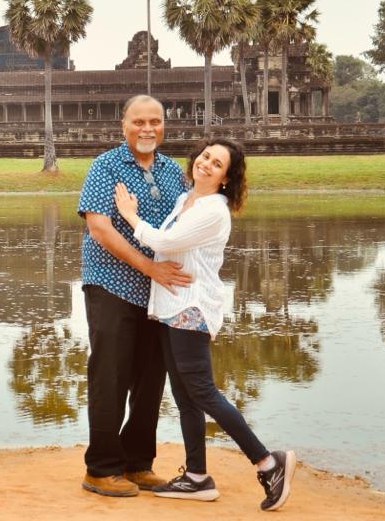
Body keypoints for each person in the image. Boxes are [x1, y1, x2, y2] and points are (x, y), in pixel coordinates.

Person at [112, 138, 296, 511]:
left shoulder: (214, 209)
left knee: (202, 392)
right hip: (170, 306)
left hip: (191, 308)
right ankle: (197, 476)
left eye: (218, 164)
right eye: (206, 156)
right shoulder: (186, 200)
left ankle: (267, 462)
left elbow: (167, 241)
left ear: (227, 178)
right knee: (185, 397)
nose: (207, 164)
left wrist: (130, 215)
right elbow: (166, 248)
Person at [77, 95, 190, 498]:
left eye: (155, 122)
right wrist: (149, 267)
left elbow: (188, 223)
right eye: (139, 121)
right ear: (123, 124)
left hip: (159, 293)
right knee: (110, 375)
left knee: (150, 377)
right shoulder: (106, 166)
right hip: (110, 283)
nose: (147, 129)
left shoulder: (173, 171)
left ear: (164, 125)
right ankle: (101, 468)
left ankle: (137, 462)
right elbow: (100, 229)